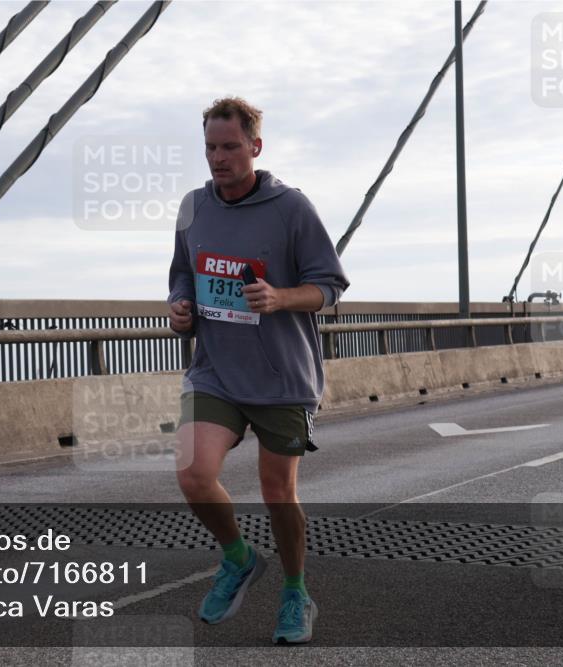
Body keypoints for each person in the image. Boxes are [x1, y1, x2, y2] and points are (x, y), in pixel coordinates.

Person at [167, 96, 349, 644]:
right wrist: (179, 307)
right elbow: (182, 274)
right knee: (194, 474)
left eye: (229, 147)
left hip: (281, 376)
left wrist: (280, 297)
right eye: (210, 148)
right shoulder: (193, 207)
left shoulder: (291, 208)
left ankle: (295, 591)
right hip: (215, 370)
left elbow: (331, 287)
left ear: (255, 147)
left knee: (277, 493)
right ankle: (239, 558)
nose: (218, 158)